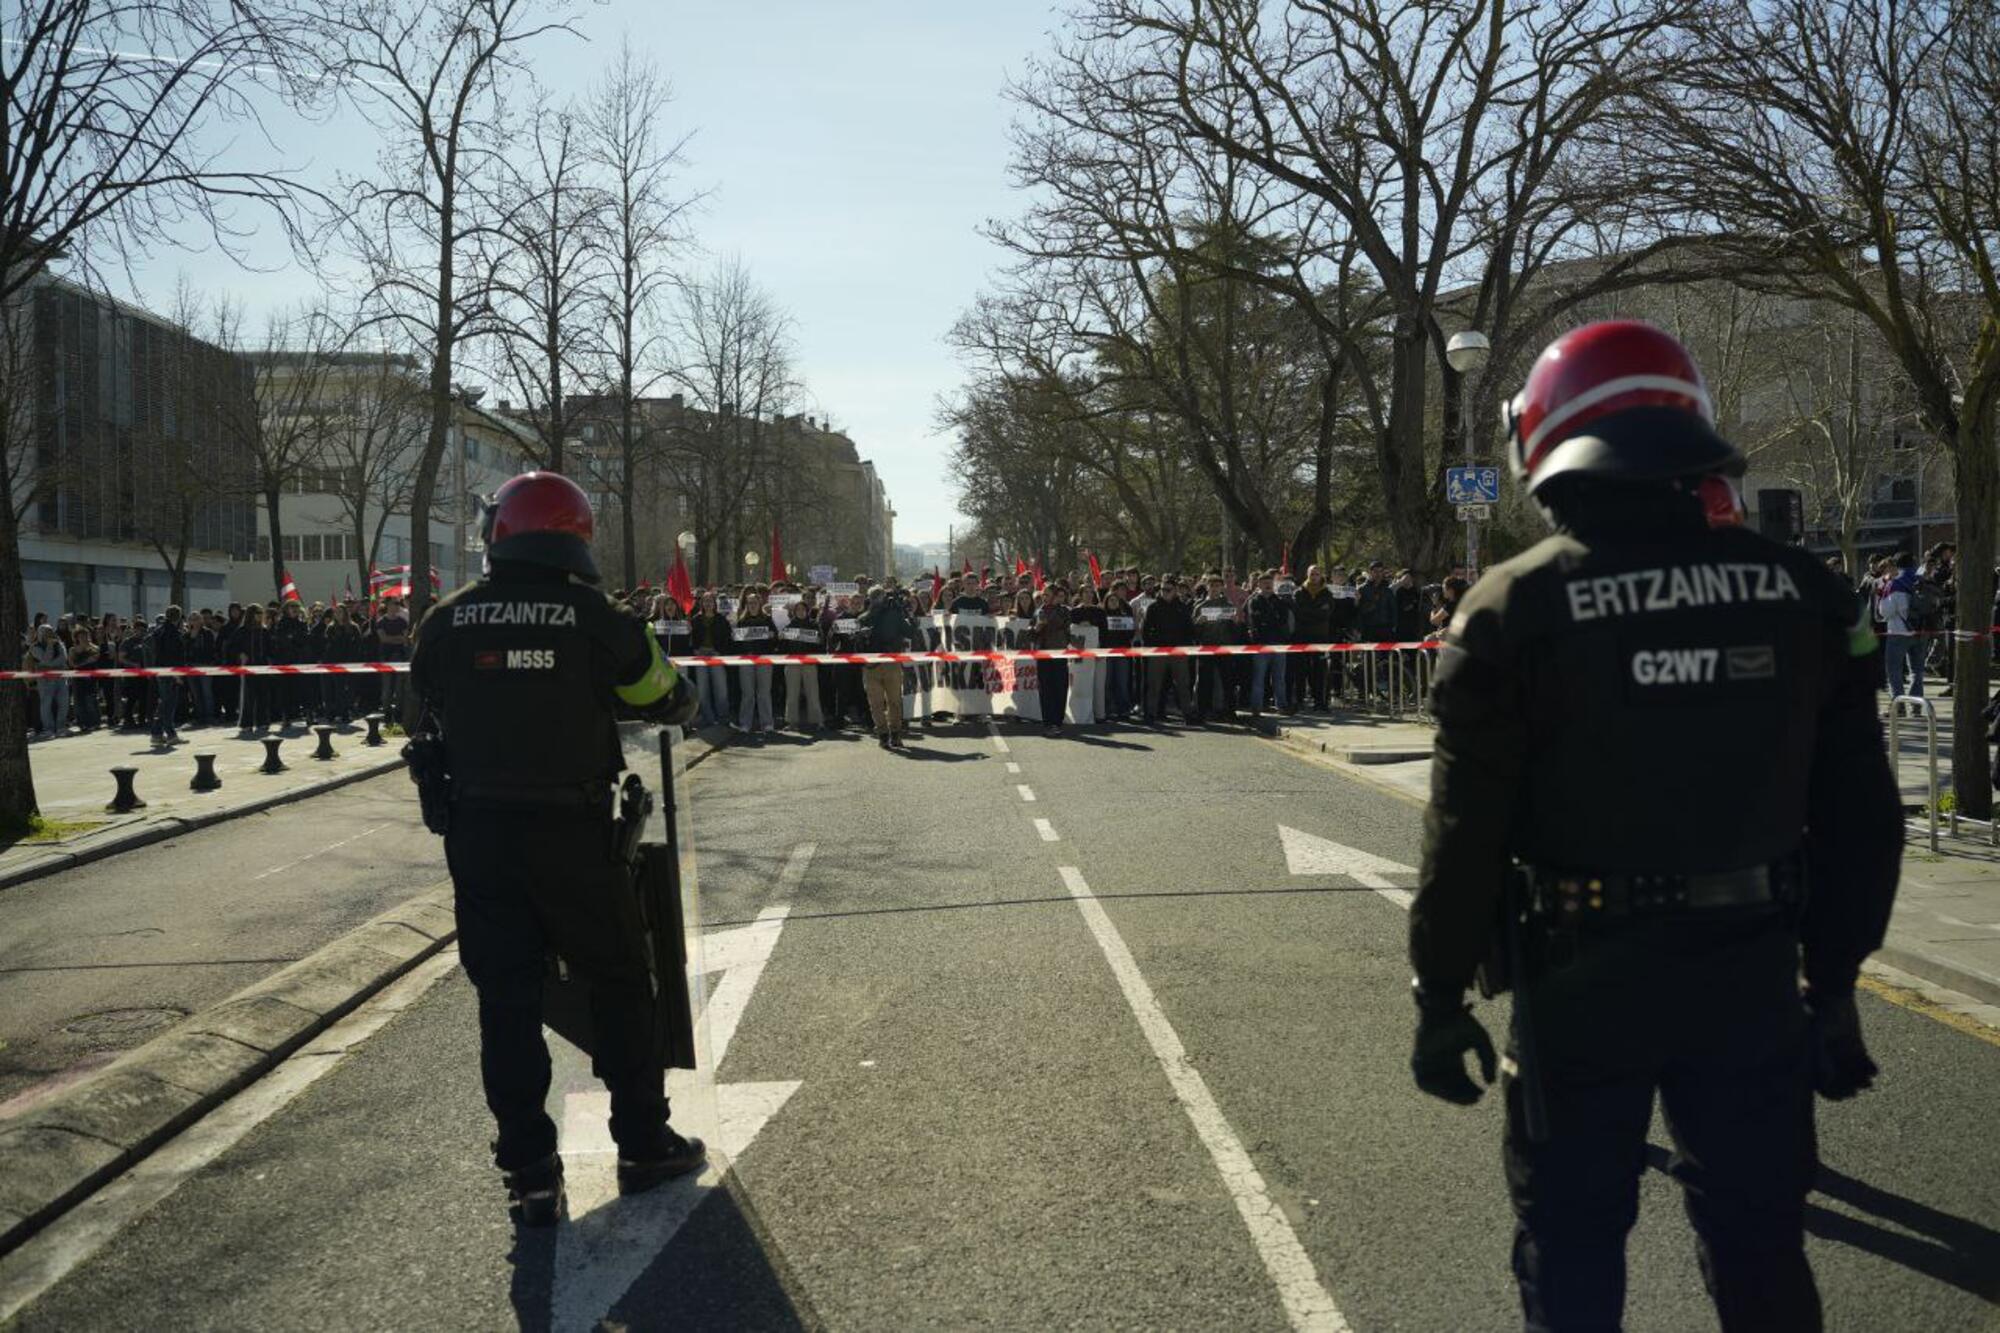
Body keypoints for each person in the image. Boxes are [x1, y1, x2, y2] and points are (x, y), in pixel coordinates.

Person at [1409, 320, 1902, 1332]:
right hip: (1749, 974)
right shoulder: (1809, 596)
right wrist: (1836, 976)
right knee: (1760, 1245)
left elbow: (1464, 831)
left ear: (1544, 440)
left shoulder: (1508, 610)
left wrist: (1437, 989)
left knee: (1574, 1247)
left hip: (1578, 980)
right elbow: (1860, 813)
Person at [408, 471, 703, 1226]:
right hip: (575, 836)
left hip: (480, 838)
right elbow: (664, 696)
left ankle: (530, 1171)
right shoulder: (597, 618)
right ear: (576, 534)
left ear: (500, 532)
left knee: (505, 1000)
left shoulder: (445, 621)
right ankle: (642, 1140)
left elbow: (423, 705)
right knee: (617, 979)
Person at [856, 585, 916, 748]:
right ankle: (883, 734)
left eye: (880, 596)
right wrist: (861, 636)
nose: (878, 599)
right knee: (875, 703)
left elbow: (910, 632)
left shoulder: (894, 615)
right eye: (875, 596)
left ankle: (895, 734)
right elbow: (857, 646)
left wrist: (908, 615)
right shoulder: (863, 618)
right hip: (870, 666)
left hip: (891, 663)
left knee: (894, 701)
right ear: (870, 599)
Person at [1137, 579, 1195, 724]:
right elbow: (1146, 631)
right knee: (1154, 684)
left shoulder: (1182, 608)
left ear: (1175, 590)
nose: (1164, 592)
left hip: (1178, 652)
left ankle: (1187, 714)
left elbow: (1189, 630)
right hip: (1158, 652)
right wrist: (1152, 646)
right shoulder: (1153, 607)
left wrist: (1185, 646)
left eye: (1168, 590)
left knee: (1183, 684)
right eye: (1162, 589)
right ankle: (1150, 714)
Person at [1244, 570, 1292, 719]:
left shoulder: (1279, 601)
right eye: (1264, 583)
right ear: (1259, 585)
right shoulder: (1254, 601)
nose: (1268, 586)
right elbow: (1256, 619)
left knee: (1279, 678)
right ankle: (1256, 708)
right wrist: (1271, 619)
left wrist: (1270, 620)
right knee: (1259, 678)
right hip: (1261, 645)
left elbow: (1283, 620)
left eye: (1270, 583)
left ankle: (1281, 706)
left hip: (1278, 644)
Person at [1879, 551, 1922, 710]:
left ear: (1897, 565)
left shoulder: (1895, 583)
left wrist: (1882, 592)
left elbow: (1885, 611)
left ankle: (1898, 706)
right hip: (1920, 630)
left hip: (1898, 631)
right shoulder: (1921, 579)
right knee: (1917, 671)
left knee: (1893, 669)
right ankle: (1917, 706)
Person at [1031, 586, 1073, 736]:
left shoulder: (1065, 611)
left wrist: (1048, 621)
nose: (1044, 597)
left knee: (1060, 688)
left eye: (1047, 595)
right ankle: (1048, 723)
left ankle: (1057, 721)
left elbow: (1067, 629)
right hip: (1043, 653)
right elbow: (1031, 633)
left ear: (1055, 596)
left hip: (1059, 653)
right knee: (1046, 689)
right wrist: (1037, 627)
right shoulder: (1038, 611)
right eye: (1043, 595)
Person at [148, 606, 188, 746]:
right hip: (170, 672)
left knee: (163, 703)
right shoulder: (173, 633)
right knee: (168, 705)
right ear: (178, 617)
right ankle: (171, 734)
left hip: (159, 670)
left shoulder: (158, 631)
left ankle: (156, 734)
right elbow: (172, 656)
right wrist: (177, 675)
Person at [23, 624, 68, 738]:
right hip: (45, 681)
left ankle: (61, 727)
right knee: (46, 705)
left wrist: (49, 666)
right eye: (47, 631)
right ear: (41, 633)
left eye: (51, 631)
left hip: (60, 678)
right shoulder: (34, 647)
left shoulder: (59, 644)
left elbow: (63, 660)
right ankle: (48, 729)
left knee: (63, 703)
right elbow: (45, 660)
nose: (50, 633)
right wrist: (49, 646)